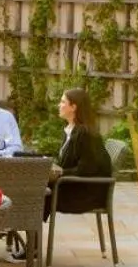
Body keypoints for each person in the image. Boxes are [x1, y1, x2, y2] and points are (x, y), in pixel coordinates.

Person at [49, 87, 114, 216]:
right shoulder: (70, 130)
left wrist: (60, 172)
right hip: (72, 186)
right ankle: (29, 231)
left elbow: (87, 169)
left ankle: (27, 229)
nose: (59, 105)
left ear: (73, 107)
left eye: (62, 102)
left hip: (85, 195)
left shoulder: (85, 134)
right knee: (34, 190)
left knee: (35, 196)